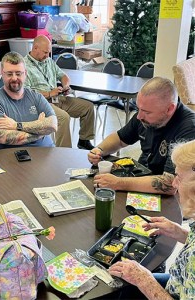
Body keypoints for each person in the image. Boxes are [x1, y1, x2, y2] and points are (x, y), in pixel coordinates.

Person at [108, 140, 195, 299]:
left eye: (179, 178)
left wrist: (144, 280)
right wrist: (180, 232)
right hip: (179, 283)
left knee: (120, 285)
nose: (174, 184)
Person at [88, 77, 195, 195]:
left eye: (147, 112)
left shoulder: (189, 129)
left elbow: (169, 184)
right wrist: (99, 150)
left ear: (169, 109)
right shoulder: (144, 116)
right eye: (139, 109)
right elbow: (120, 139)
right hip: (140, 177)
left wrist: (119, 183)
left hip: (170, 198)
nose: (139, 116)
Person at [24, 35, 95, 150]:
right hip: (41, 103)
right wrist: (49, 93)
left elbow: (63, 76)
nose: (47, 56)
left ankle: (84, 141)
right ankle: (64, 152)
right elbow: (27, 93)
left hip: (58, 98)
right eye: (45, 52)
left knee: (88, 107)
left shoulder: (49, 61)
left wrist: (65, 85)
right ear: (35, 48)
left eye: (49, 53)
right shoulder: (24, 66)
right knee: (63, 118)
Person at [0, 51, 57, 151]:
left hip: (44, 152)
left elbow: (52, 125)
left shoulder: (36, 96)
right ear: (2, 74)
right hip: (8, 158)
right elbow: (2, 136)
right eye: (9, 74)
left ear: (25, 74)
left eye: (18, 73)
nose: (14, 78)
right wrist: (40, 130)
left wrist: (16, 125)